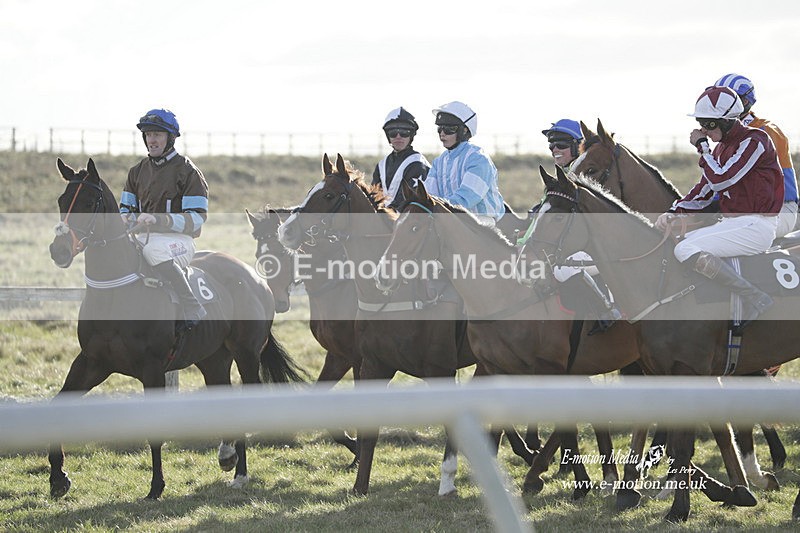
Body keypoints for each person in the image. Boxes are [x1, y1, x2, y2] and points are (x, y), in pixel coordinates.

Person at [656, 86, 783, 328]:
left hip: (757, 225)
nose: (702, 129)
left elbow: (722, 179)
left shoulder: (756, 140)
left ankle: (756, 298)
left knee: (685, 249)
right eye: (701, 123)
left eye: (708, 124)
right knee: (677, 244)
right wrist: (674, 211)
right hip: (733, 224)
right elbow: (704, 191)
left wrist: (703, 148)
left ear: (727, 121)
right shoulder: (721, 149)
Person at [120, 108, 209, 332]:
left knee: (154, 251)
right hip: (143, 239)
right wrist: (128, 220)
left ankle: (192, 305)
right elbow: (125, 211)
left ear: (170, 138)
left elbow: (197, 218)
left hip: (179, 242)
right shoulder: (136, 172)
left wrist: (159, 220)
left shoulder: (188, 171)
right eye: (148, 134)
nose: (152, 140)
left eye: (157, 134)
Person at [540, 118, 621, 334]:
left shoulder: (590, 177)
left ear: (578, 146)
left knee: (563, 267)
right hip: (575, 243)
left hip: (599, 247)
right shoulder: (561, 180)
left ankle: (607, 311)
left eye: (561, 144)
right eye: (551, 145)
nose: (555, 149)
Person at [714, 73, 798, 237]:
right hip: (747, 210)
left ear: (745, 102)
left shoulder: (765, 131)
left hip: (780, 209)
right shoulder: (726, 138)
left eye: (724, 100)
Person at [426, 101, 505, 226]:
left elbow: (466, 199)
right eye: (440, 128)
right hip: (448, 219)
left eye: (449, 129)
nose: (442, 133)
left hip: (482, 222)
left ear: (464, 130)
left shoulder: (478, 159)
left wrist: (437, 207)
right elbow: (429, 196)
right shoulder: (438, 162)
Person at [372, 107, 430, 207]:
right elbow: (374, 196)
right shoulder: (381, 165)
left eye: (404, 132)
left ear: (411, 135)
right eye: (393, 133)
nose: (398, 137)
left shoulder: (418, 163)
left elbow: (410, 199)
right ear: (388, 136)